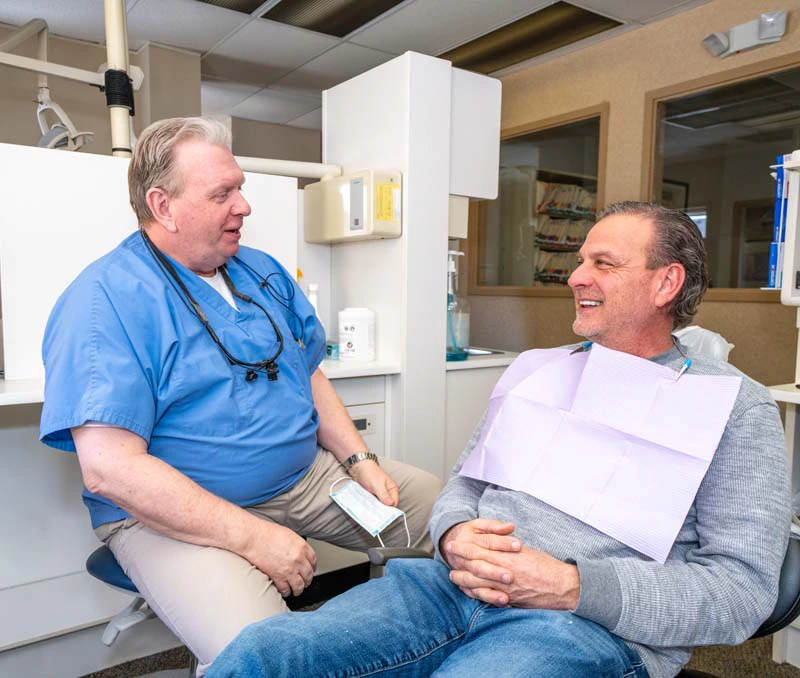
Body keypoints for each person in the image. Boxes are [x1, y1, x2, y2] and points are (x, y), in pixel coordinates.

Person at [206, 202, 791, 678]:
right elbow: (465, 482)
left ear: (667, 282)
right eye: (580, 260)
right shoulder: (541, 371)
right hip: (446, 588)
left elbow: (741, 592)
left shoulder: (735, 407)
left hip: (585, 628)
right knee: (265, 654)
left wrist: (571, 586)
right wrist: (455, 533)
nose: (576, 276)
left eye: (604, 264)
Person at [39, 116, 440, 674]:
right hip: (168, 513)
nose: (244, 206)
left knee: (444, 513)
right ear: (163, 205)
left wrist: (360, 460)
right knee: (270, 655)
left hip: (307, 479)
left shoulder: (262, 271)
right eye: (223, 193)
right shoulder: (103, 302)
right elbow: (111, 471)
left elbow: (309, 372)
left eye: (240, 188)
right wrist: (255, 537)